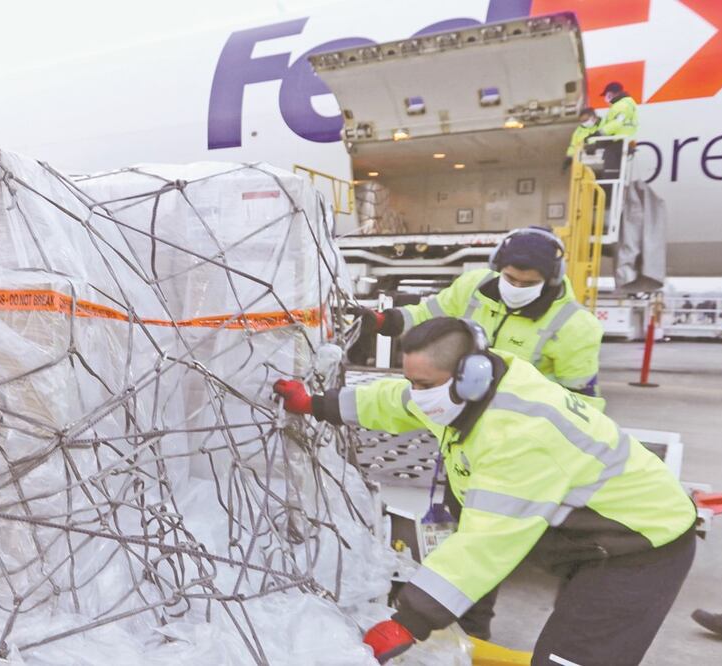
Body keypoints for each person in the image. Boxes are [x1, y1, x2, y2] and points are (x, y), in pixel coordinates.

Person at [275, 317, 698, 665]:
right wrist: (317, 404)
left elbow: (485, 544)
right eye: (414, 382)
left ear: (470, 377)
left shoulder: (519, 436)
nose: (417, 396)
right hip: (589, 539)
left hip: (639, 546)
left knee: (571, 659)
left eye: (425, 386)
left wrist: (410, 621)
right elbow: (395, 401)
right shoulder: (461, 391)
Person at [350, 226, 604, 407]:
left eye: (528, 283)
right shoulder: (474, 286)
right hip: (464, 410)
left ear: (551, 279)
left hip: (524, 429)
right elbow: (429, 314)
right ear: (497, 267)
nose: (516, 288)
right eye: (510, 278)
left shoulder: (576, 326)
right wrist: (384, 321)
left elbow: (582, 401)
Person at [562, 107, 600, 172]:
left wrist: (596, 146)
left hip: (602, 156)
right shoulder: (578, 131)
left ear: (593, 117)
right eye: (582, 121)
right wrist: (569, 157)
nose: (584, 123)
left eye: (585, 120)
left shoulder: (603, 124)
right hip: (587, 161)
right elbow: (573, 145)